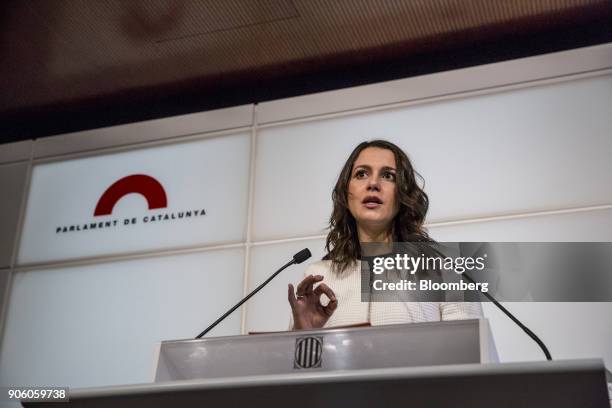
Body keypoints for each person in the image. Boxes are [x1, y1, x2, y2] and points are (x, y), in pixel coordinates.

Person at [288, 140, 482, 330]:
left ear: (403, 194)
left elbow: (472, 352)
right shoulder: (318, 277)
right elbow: (290, 360)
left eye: (388, 176)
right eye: (361, 174)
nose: (373, 183)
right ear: (346, 193)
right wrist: (302, 335)